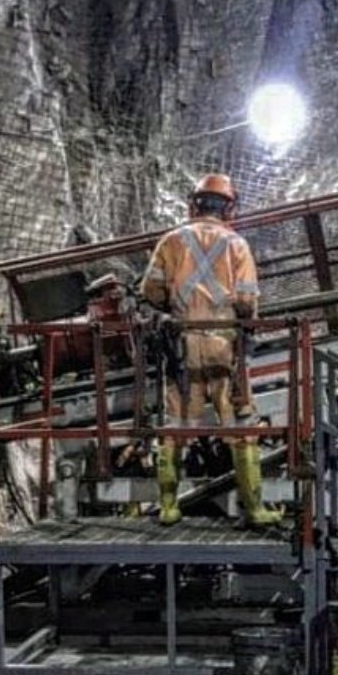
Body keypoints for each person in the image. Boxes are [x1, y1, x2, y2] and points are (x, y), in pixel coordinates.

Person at [140, 172, 281, 527]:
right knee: (240, 424)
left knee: (175, 427)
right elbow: (246, 300)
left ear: (194, 204)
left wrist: (179, 306)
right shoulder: (237, 245)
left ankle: (168, 507)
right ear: (229, 208)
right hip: (223, 346)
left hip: (182, 346)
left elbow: (150, 291)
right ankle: (255, 509)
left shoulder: (171, 241)